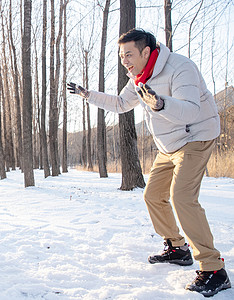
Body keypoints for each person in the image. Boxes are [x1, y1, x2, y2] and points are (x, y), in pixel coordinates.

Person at [67, 28, 231, 297]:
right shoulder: (138, 76)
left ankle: (214, 269)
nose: (124, 61)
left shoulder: (181, 67)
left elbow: (191, 109)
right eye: (121, 56)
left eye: (128, 54)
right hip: (169, 145)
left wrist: (160, 104)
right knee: (153, 195)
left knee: (182, 198)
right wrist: (89, 95)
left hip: (196, 135)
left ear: (146, 52)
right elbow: (121, 103)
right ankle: (177, 248)